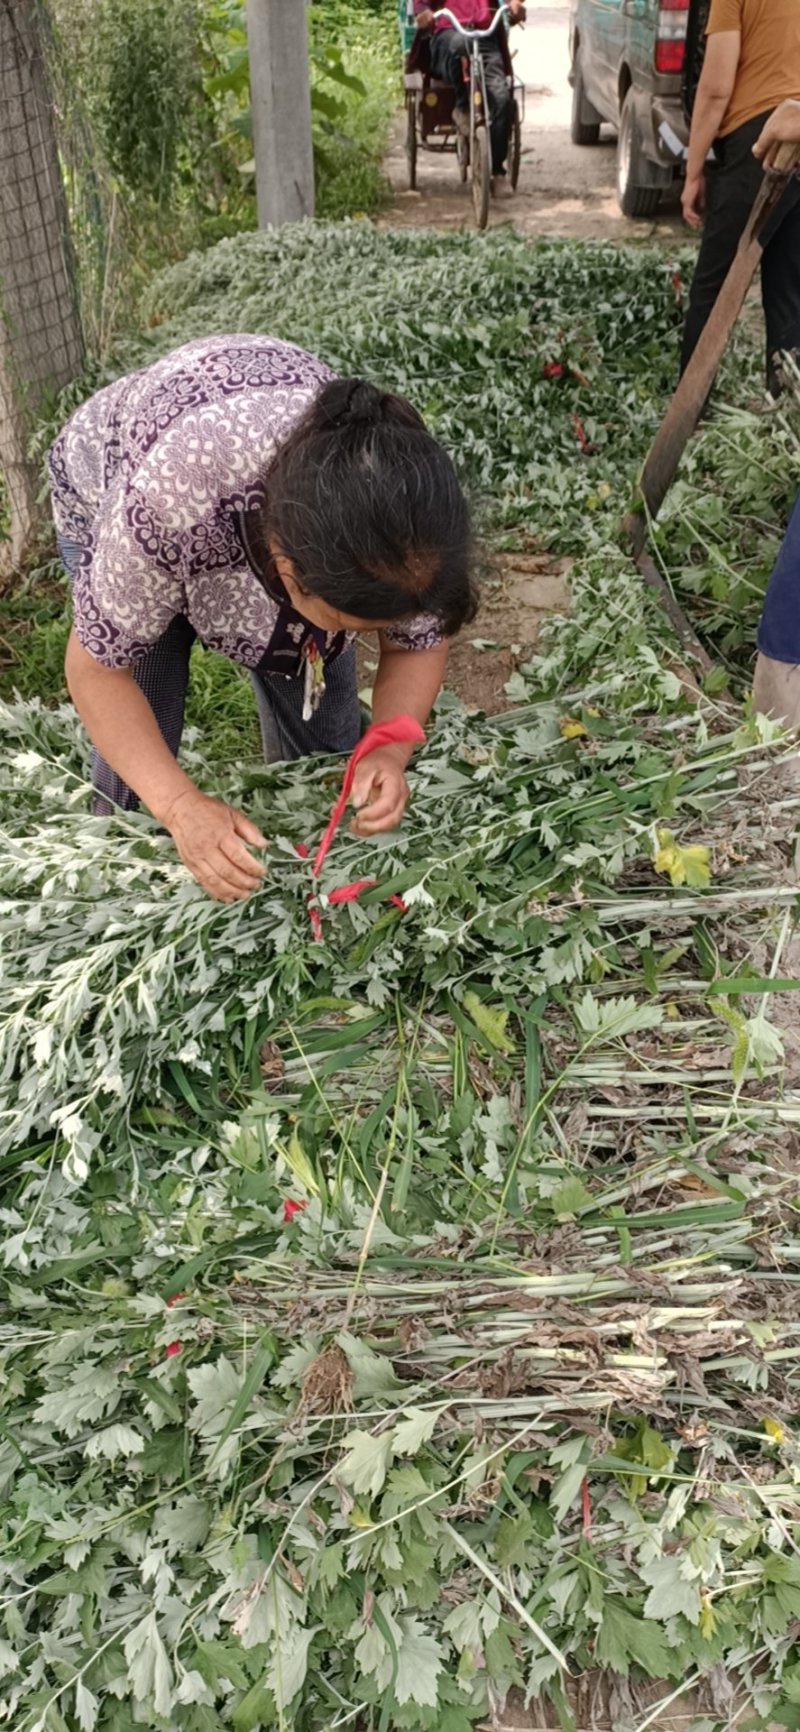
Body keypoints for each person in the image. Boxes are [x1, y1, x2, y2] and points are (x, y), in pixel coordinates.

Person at [49, 334, 476, 903]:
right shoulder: (164, 502)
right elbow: (97, 672)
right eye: (343, 621)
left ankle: (303, 874)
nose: (346, 640)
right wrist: (180, 808)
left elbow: (418, 643)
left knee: (325, 745)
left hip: (256, 500)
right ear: (285, 571)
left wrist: (387, 750)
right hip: (117, 482)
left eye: (364, 631)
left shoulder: (406, 512)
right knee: (146, 694)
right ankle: (118, 877)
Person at [680, 0, 800, 392]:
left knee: (715, 285)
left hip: (760, 142)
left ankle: (692, 413)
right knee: (788, 285)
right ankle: (786, 402)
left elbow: (715, 89)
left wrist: (693, 170)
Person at [413, 0, 525, 194]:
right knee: (458, 45)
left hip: (484, 34)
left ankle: (497, 171)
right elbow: (422, 5)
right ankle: (463, 106)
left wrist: (515, 5)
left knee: (501, 98)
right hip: (448, 33)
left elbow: (511, 3)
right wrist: (423, 13)